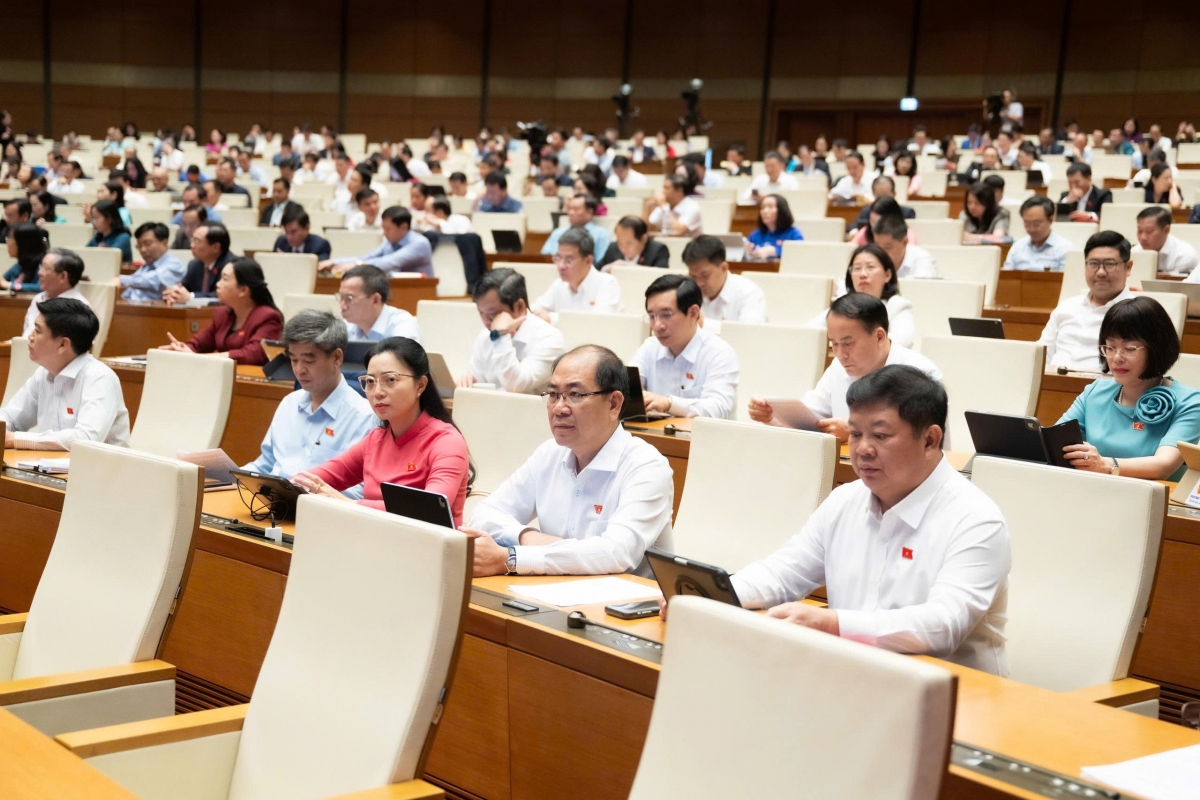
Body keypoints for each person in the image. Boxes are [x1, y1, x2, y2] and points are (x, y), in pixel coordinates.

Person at [730, 365, 1009, 674]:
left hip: (957, 700)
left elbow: (941, 626)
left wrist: (831, 623)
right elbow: (781, 574)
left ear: (930, 440)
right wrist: (703, 592)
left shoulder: (976, 520)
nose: (862, 449)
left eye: (880, 435)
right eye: (855, 433)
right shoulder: (844, 500)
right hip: (853, 680)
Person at [465, 345, 674, 576]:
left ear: (613, 404)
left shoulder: (647, 467)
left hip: (622, 605)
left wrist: (513, 558)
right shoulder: (549, 454)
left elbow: (615, 553)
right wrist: (528, 537)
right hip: (551, 594)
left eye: (575, 395)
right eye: (553, 394)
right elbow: (483, 514)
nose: (559, 408)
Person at [291, 337, 471, 524]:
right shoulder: (375, 440)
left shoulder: (446, 442)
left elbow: (428, 509)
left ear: (420, 385)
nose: (377, 392)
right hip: (372, 540)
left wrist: (347, 504)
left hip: (427, 548)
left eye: (390, 380)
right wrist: (288, 487)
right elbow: (313, 478)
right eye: (370, 381)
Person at [752, 293, 940, 440]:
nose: (840, 354)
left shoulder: (921, 374)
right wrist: (772, 417)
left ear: (879, 337)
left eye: (848, 343)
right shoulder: (838, 367)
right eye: (834, 344)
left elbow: (920, 441)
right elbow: (810, 418)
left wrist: (856, 432)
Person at [1057, 296, 1200, 481]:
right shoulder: (1095, 392)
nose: (1117, 357)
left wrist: (1105, 464)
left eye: (1129, 348)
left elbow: (1162, 466)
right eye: (1110, 347)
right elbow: (1055, 442)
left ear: (1156, 348)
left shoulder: (1190, 402)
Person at [243, 310, 377, 497]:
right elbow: (266, 464)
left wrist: (309, 497)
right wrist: (230, 475)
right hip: (273, 508)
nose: (299, 370)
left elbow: (360, 493)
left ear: (337, 358)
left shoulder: (364, 417)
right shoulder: (288, 403)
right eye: (294, 359)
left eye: (308, 360)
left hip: (322, 515)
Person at [1, 298, 131, 450]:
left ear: (62, 344)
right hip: (48, 468)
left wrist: (15, 439)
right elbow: (11, 418)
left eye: (37, 331)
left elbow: (86, 438)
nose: (30, 336)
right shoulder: (43, 373)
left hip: (100, 471)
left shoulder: (99, 378)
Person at [631, 274, 739, 419]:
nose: (657, 325)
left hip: (703, 439)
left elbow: (718, 409)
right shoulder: (649, 347)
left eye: (666, 315)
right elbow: (625, 390)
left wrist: (669, 403)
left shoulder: (719, 353)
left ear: (693, 313)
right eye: (652, 316)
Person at [1038, 230, 1135, 371]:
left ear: (1128, 267)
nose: (1101, 272)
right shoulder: (1066, 307)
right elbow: (1041, 356)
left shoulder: (1139, 313)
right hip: (1051, 385)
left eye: (1109, 264)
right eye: (1094, 264)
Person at [460, 267, 565, 394]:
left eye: (493, 314)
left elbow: (515, 386)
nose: (487, 321)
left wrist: (500, 336)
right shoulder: (484, 336)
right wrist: (468, 381)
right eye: (481, 313)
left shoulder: (550, 338)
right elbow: (477, 382)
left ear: (519, 307)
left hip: (531, 412)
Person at [160, 258, 282, 365]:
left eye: (225, 279)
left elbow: (252, 354)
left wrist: (202, 358)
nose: (218, 284)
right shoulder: (222, 314)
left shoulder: (268, 317)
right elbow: (199, 343)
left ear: (243, 290)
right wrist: (182, 349)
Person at [825, 244, 915, 348]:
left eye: (870, 267)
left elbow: (902, 341)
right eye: (857, 268)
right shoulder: (843, 306)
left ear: (887, 275)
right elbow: (812, 331)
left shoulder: (898, 305)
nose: (862, 274)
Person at [531, 229, 621, 325]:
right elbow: (536, 309)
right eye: (558, 258)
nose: (561, 266)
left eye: (569, 260)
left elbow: (598, 322)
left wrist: (551, 318)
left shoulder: (607, 283)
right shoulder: (558, 284)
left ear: (588, 261)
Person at [681, 236, 767, 335]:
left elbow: (750, 334)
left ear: (724, 267)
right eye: (693, 277)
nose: (699, 283)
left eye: (705, 275)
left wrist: (703, 324)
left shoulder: (749, 292)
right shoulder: (686, 291)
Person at [320, 206, 432, 277]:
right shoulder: (390, 242)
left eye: (388, 229)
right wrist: (334, 262)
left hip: (419, 291)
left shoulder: (420, 243)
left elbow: (388, 262)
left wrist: (355, 266)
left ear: (403, 227)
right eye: (383, 228)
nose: (384, 232)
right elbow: (366, 258)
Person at [337, 264, 422, 343]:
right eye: (341, 297)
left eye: (349, 298)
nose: (342, 306)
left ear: (375, 300)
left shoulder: (403, 326)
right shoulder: (345, 327)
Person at [21, 247, 90, 336]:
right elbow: (25, 337)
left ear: (63, 276)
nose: (39, 273)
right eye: (41, 266)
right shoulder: (38, 299)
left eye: (46, 268)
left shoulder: (79, 309)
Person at [165, 223, 234, 302]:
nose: (192, 245)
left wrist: (191, 297)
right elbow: (183, 286)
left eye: (197, 241)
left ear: (216, 247)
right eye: (192, 239)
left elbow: (224, 295)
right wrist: (175, 292)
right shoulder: (194, 265)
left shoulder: (232, 267)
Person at [1003, 196, 1073, 271]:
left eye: (1036, 224)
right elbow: (1005, 277)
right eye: (1027, 224)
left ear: (1050, 220)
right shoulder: (1017, 247)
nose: (1031, 229)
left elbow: (1066, 281)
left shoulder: (1064, 249)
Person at [120, 222, 186, 301]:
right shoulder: (145, 267)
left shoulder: (175, 265)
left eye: (147, 244)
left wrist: (121, 280)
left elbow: (156, 281)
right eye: (139, 246)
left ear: (164, 243)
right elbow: (129, 292)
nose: (143, 250)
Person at [539, 194, 611, 258]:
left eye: (576, 209)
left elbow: (602, 262)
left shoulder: (601, 234)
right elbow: (545, 257)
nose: (570, 213)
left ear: (590, 212)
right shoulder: (558, 232)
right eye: (569, 209)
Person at [1133, 207, 1199, 277]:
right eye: (1140, 231)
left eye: (1149, 231)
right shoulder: (1134, 253)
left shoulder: (1185, 256)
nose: (1143, 237)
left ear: (1166, 230)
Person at [848, 181, 916, 240]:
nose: (882, 198)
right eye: (878, 195)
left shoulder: (907, 213)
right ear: (873, 195)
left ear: (894, 193)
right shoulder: (868, 211)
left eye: (885, 195)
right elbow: (856, 225)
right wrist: (854, 231)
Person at [596, 216, 669, 270]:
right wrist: (607, 268)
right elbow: (597, 270)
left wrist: (629, 267)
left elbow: (660, 276)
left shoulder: (658, 250)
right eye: (620, 243)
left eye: (629, 243)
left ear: (643, 239)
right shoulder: (613, 248)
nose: (623, 249)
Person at [746, 194, 804, 259]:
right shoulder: (755, 234)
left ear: (781, 210)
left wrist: (775, 251)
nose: (765, 211)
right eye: (763, 207)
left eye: (770, 207)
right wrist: (748, 252)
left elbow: (800, 253)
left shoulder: (793, 233)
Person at [1, 222, 48, 293]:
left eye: (10, 239)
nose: (7, 243)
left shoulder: (45, 263)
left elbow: (42, 287)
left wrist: (9, 285)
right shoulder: (20, 264)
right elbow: (3, 282)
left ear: (23, 243)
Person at [86, 199, 133, 264]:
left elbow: (110, 258)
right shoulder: (97, 238)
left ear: (109, 218)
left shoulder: (123, 237)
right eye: (93, 218)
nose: (94, 222)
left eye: (97, 218)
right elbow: (85, 254)